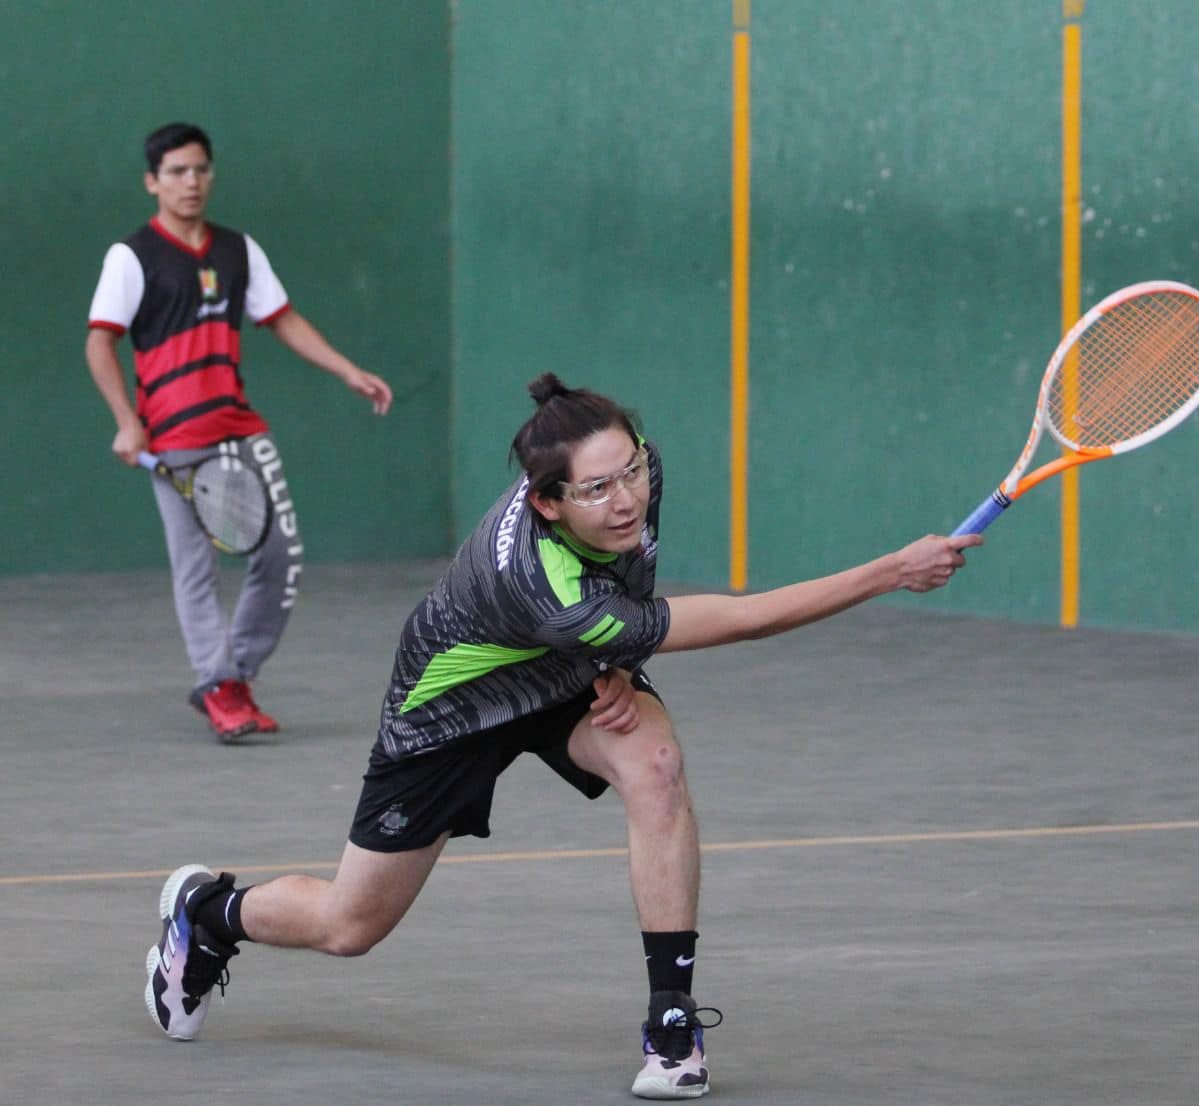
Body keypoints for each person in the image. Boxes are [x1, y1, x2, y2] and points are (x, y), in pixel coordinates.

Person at [143, 373, 980, 1098]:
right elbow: (738, 620)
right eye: (598, 489)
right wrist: (890, 573)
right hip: (453, 705)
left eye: (632, 471)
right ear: (547, 501)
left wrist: (611, 661)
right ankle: (209, 913)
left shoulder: (630, 480)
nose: (626, 499)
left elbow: (629, 582)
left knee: (655, 763)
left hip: (564, 667)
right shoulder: (536, 580)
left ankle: (673, 1024)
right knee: (349, 926)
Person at [86, 122, 393, 741]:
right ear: (152, 182)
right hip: (174, 438)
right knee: (195, 569)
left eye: (200, 169)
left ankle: (234, 676)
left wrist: (347, 370)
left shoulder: (238, 250)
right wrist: (127, 421)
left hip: (242, 430)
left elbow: (281, 319)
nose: (191, 182)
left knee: (282, 556)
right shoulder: (131, 257)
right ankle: (218, 683)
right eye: (177, 171)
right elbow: (100, 342)